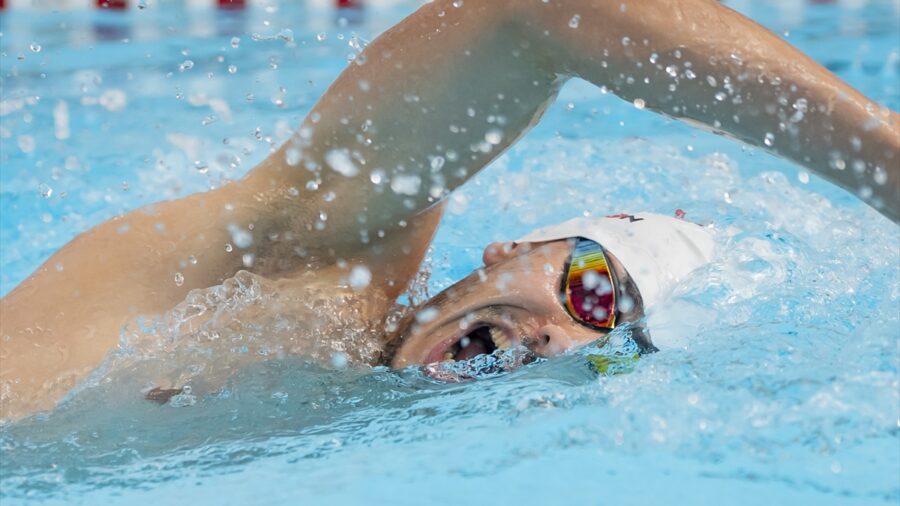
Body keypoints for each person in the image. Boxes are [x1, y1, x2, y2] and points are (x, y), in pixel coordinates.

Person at [1, 0, 897, 421]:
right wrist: (882, 155)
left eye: (610, 340)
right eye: (591, 289)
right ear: (509, 248)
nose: (570, 339)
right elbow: (536, 11)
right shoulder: (315, 260)